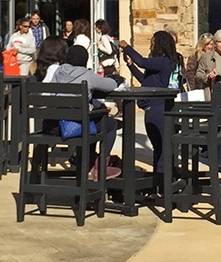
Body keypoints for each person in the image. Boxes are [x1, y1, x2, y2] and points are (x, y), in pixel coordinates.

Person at [51, 44, 124, 180]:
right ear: (85, 60)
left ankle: (89, 167)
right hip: (77, 126)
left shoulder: (59, 71)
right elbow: (110, 85)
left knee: (93, 121)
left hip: (57, 124)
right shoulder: (88, 75)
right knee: (110, 125)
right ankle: (101, 167)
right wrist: (117, 80)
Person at [120, 30, 183, 173]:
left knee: (162, 148)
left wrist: (126, 47)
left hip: (158, 109)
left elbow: (142, 61)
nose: (150, 47)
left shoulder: (163, 61)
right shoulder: (160, 63)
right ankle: (159, 182)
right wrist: (130, 65)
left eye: (153, 43)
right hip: (151, 108)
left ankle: (162, 182)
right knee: (158, 148)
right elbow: (145, 81)